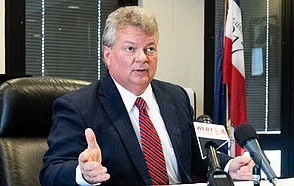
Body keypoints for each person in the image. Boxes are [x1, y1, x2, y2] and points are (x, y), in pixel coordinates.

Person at [40, 6, 254, 186]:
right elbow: (51, 172)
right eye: (130, 49)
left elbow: (194, 157)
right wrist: (83, 173)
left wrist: (227, 165)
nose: (142, 58)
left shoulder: (176, 97)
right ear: (108, 55)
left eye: (150, 49)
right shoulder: (78, 107)